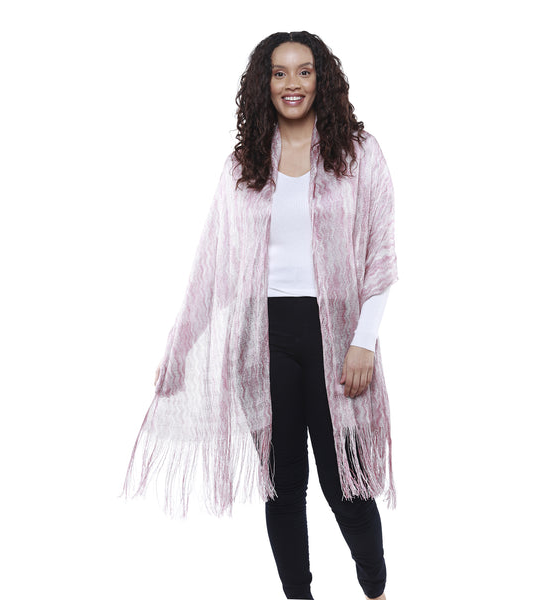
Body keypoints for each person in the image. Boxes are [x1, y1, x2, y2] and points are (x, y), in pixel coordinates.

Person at [124, 30, 398, 600]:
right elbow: (212, 269)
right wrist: (178, 351)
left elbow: (380, 253)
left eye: (304, 71)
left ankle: (375, 588)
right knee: (283, 486)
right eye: (279, 73)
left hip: (334, 337)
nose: (292, 84)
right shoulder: (243, 165)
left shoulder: (359, 153)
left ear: (321, 79)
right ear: (264, 83)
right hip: (261, 340)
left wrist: (364, 340)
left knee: (346, 484)